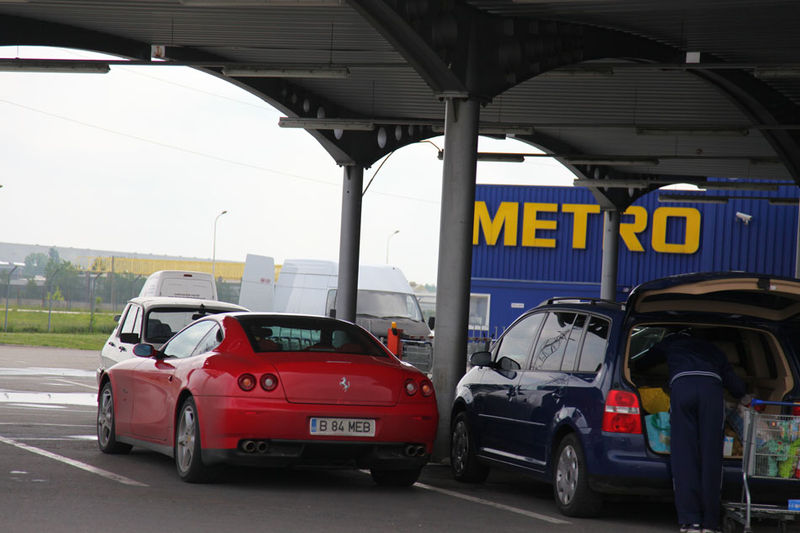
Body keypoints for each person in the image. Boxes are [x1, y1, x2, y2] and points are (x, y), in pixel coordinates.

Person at [648, 327, 749, 533]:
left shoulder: (672, 342)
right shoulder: (714, 350)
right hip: (711, 392)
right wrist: (744, 395)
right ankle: (710, 523)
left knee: (684, 456)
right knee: (711, 457)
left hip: (682, 389)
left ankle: (690, 521)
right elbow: (733, 383)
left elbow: (645, 360)